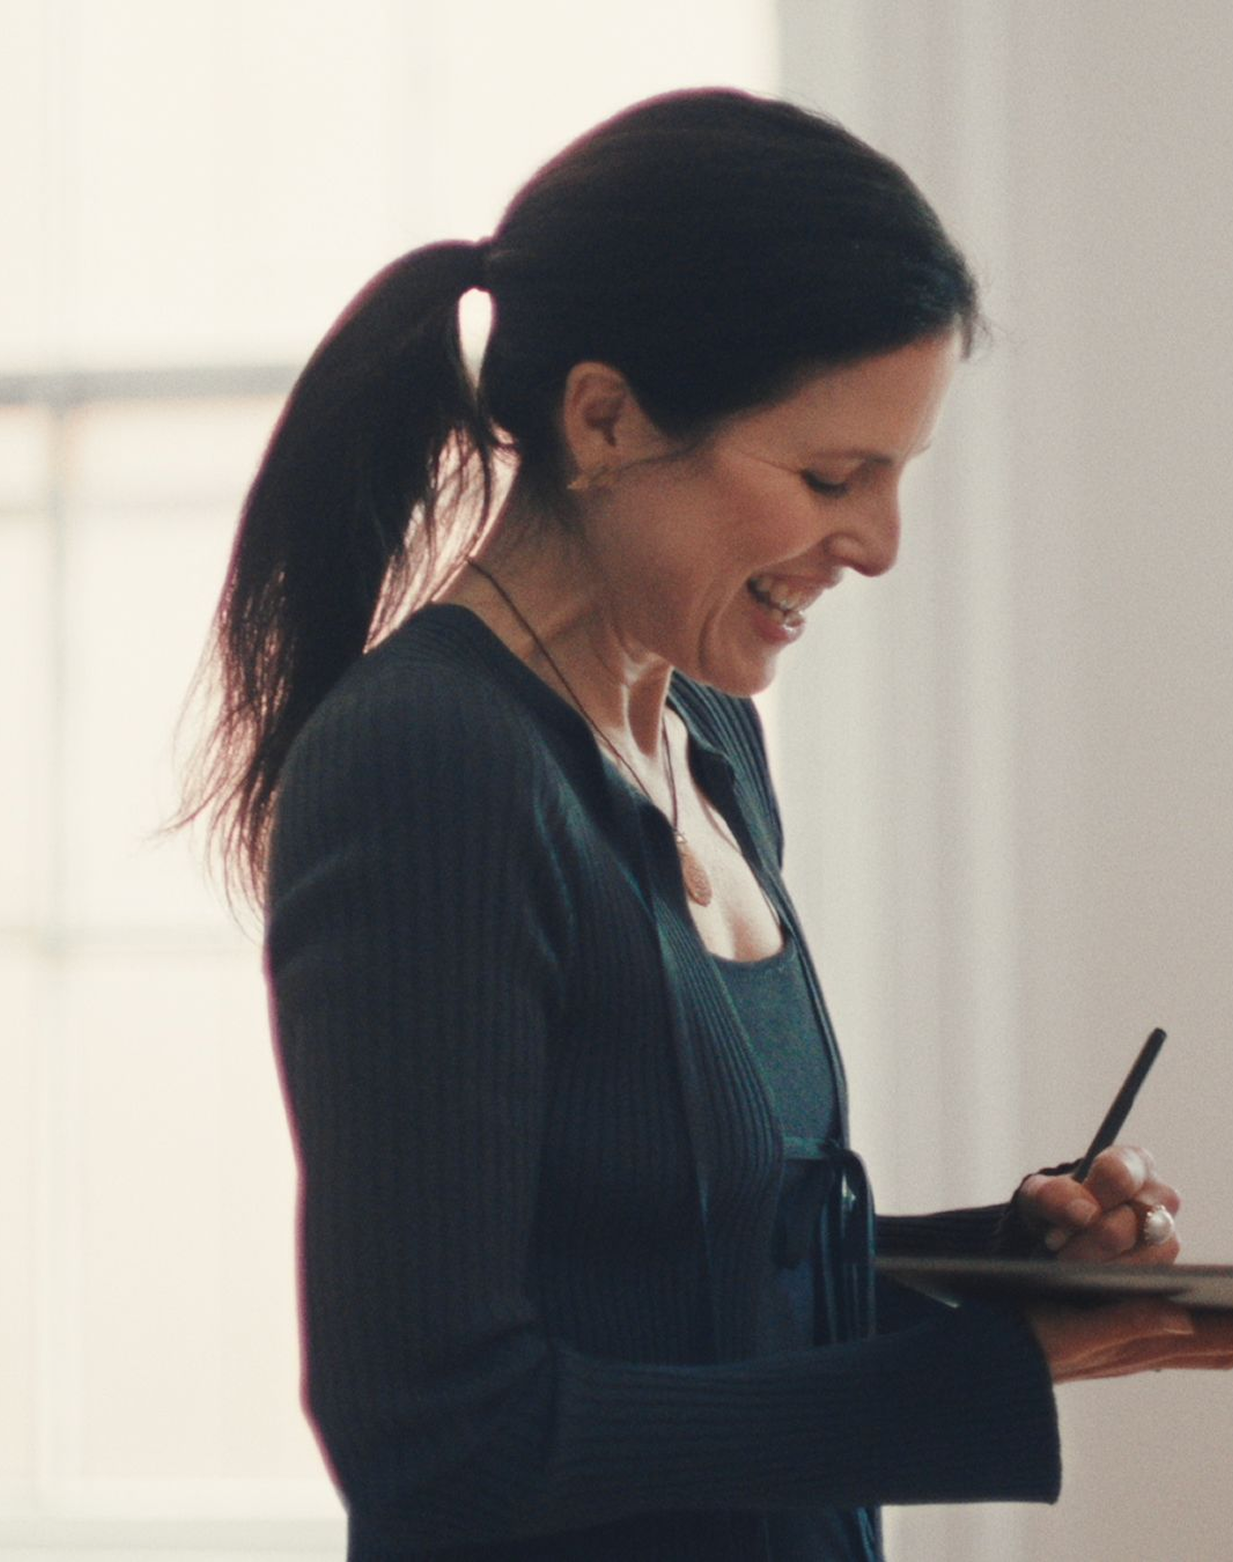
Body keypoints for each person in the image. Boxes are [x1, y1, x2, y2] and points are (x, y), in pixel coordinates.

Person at [183, 88, 1233, 1560]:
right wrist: (994, 1374)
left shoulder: (707, 735)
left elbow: (690, 1282)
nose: (875, 545)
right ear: (604, 418)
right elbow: (447, 1438)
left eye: (894, 479)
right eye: (828, 477)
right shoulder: (434, 764)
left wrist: (1006, 1272)